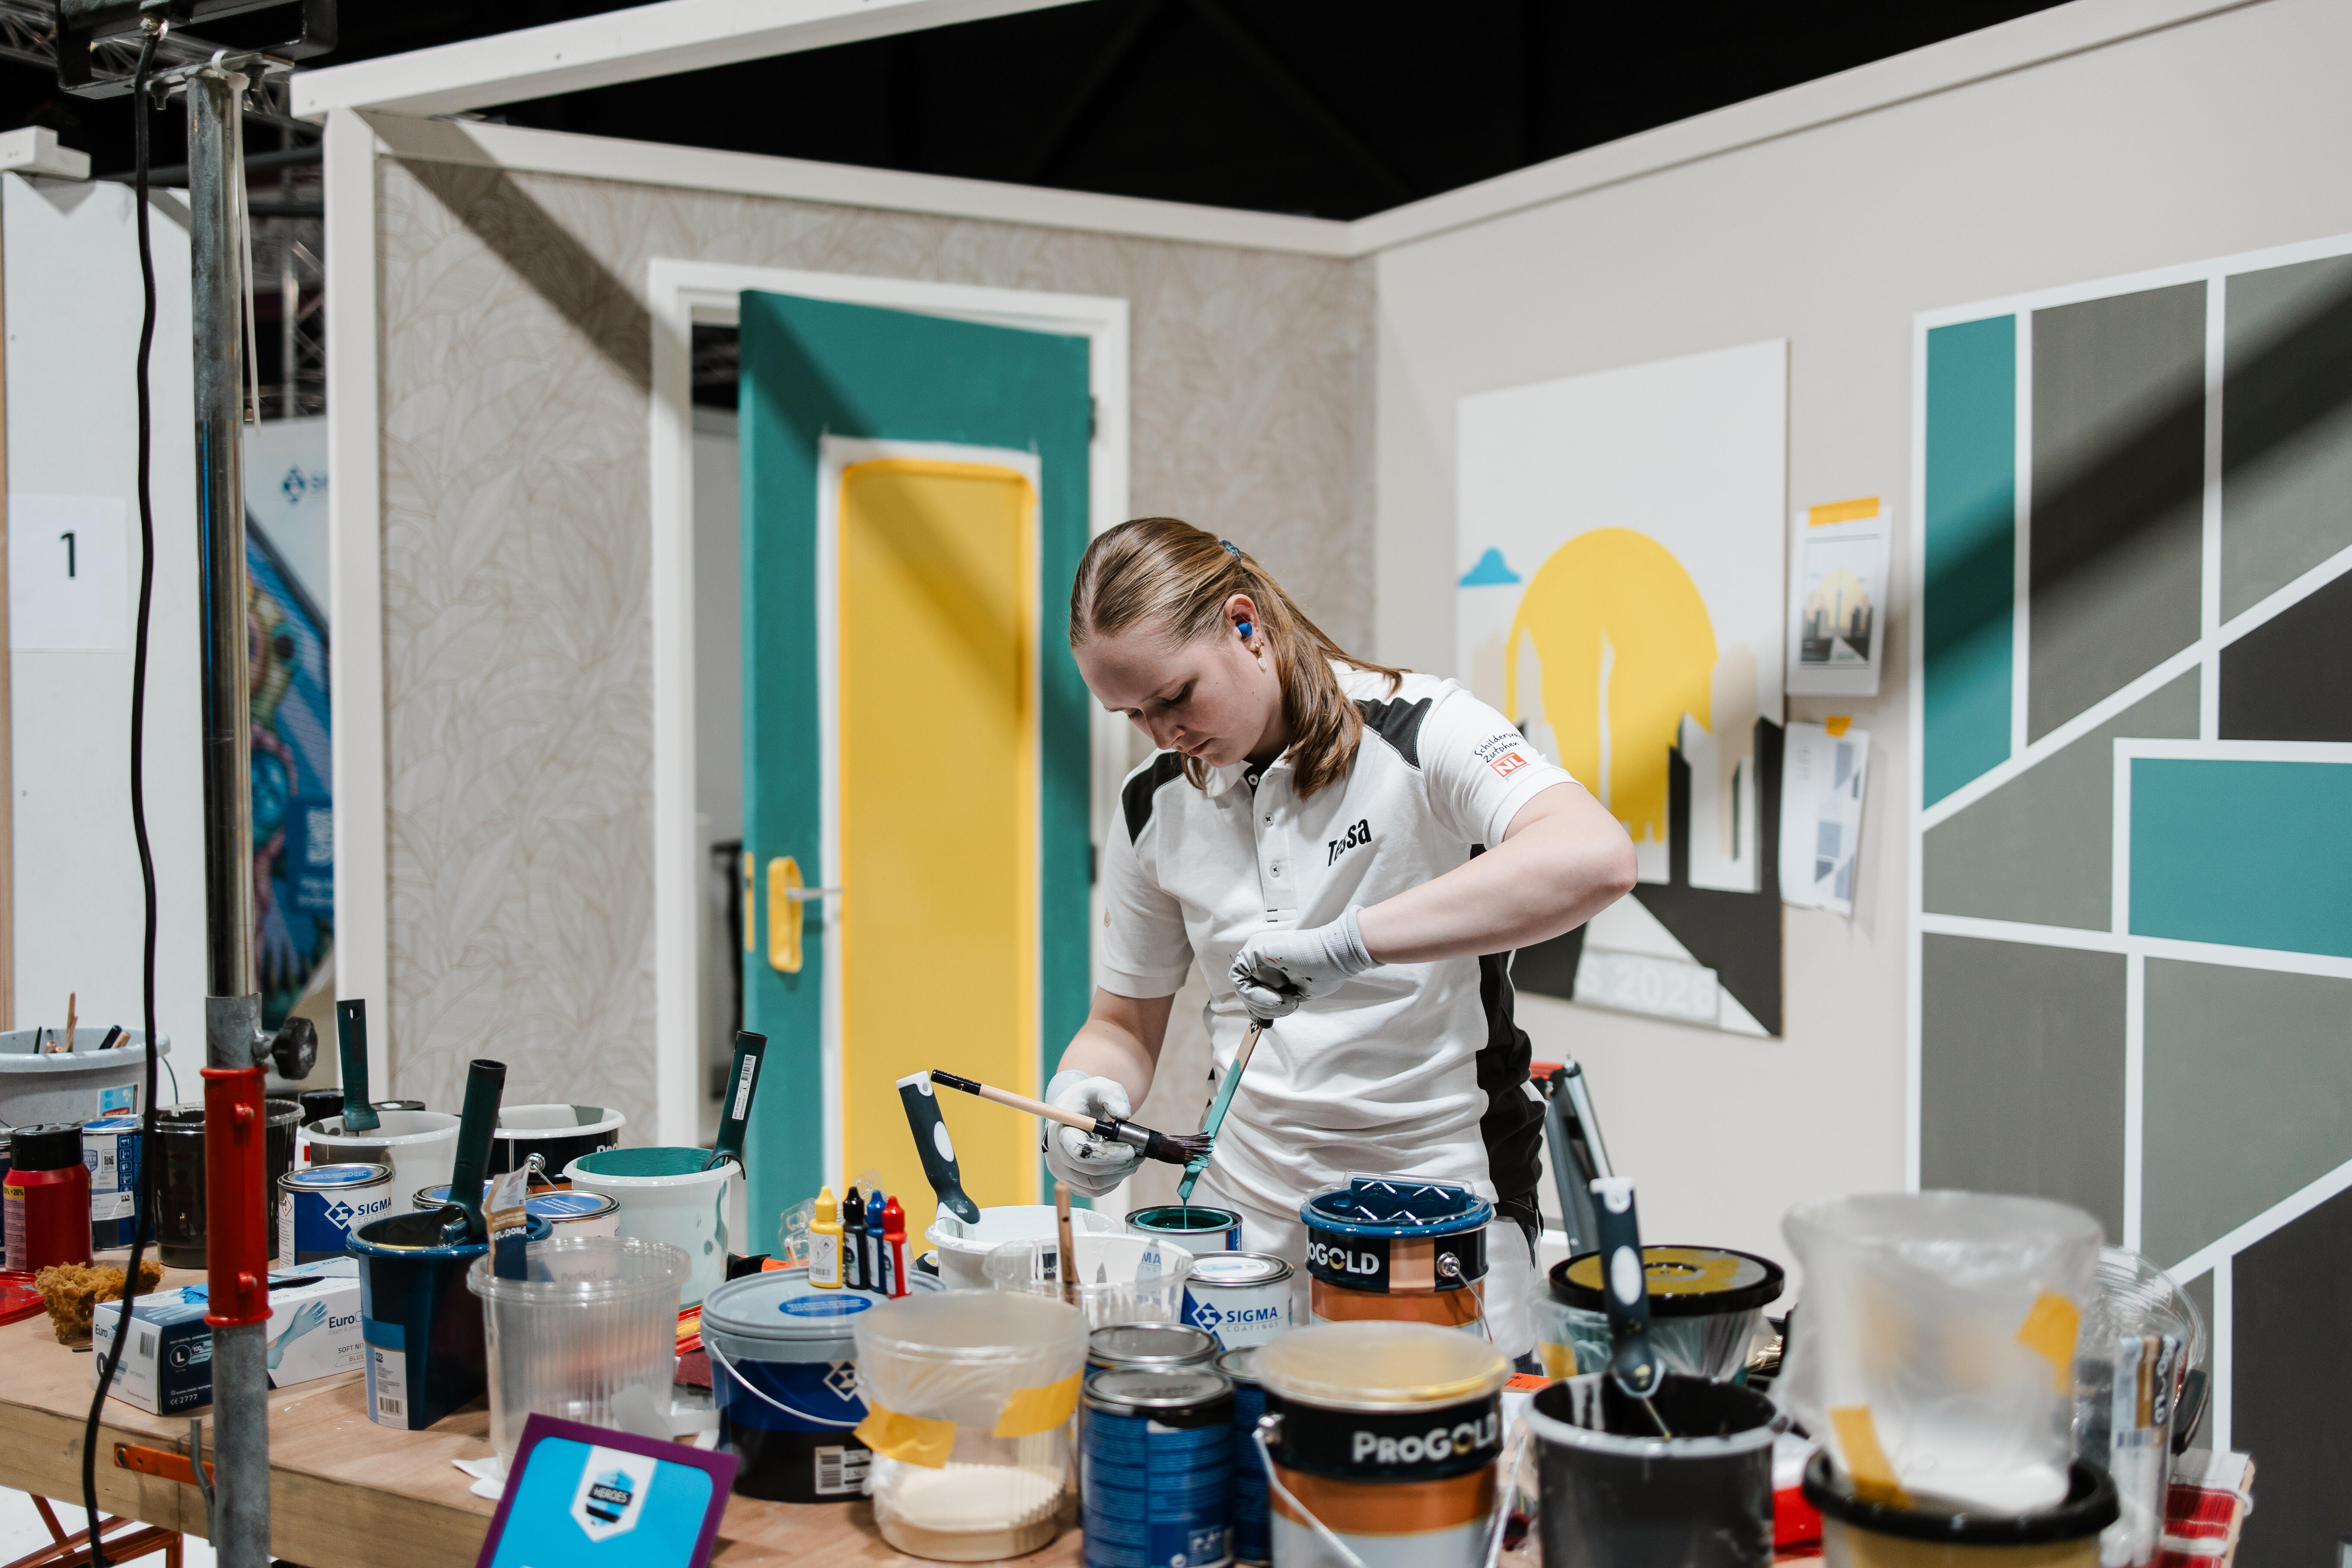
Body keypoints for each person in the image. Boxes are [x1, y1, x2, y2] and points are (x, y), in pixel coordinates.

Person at [1045, 517, 1636, 1361]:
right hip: (1245, 1202)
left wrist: (1350, 944)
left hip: (1437, 1191)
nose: (1163, 734)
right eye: (1132, 714)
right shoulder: (1153, 801)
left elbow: (1596, 857)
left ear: (1244, 625)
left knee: (1440, 1433)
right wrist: (1081, 1095)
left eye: (1175, 696)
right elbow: (1122, 1025)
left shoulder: (1419, 727)